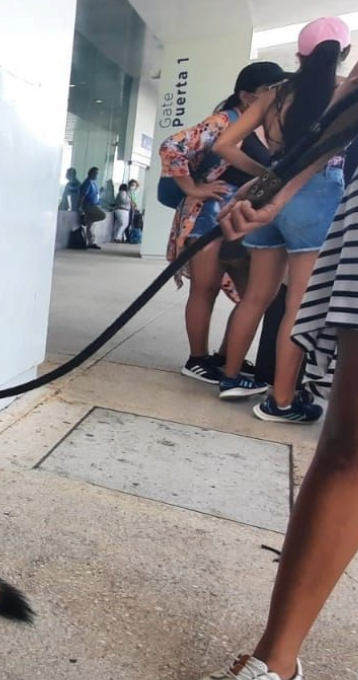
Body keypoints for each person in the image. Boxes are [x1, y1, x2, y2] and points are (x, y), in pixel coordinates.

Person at [194, 41, 358, 680]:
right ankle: (276, 660)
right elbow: (348, 108)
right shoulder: (316, 92)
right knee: (347, 447)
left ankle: (248, 381)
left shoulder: (272, 94)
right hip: (320, 195)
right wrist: (278, 186)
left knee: (265, 299)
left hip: (312, 194)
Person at [211, 18, 350, 421]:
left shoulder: (273, 95)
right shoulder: (343, 92)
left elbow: (224, 144)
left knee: (257, 295)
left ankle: (233, 377)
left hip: (269, 195)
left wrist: (264, 176)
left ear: (299, 55)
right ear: (342, 53)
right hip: (318, 195)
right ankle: (282, 400)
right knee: (299, 304)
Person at [160, 62, 289, 385]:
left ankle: (224, 357)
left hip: (236, 218)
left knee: (254, 294)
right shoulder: (225, 120)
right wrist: (193, 188)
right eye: (270, 89)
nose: (277, 95)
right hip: (206, 217)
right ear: (247, 95)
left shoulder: (262, 125)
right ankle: (198, 359)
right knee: (205, 288)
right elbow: (172, 146)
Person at [78, 167, 106, 250]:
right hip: (89, 205)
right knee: (102, 215)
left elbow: (95, 195)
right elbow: (83, 195)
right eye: (95, 173)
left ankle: (91, 242)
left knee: (91, 226)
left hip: (95, 204)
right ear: (90, 173)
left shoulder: (93, 183)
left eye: (97, 173)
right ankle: (85, 220)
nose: (97, 175)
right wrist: (80, 206)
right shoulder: (87, 183)